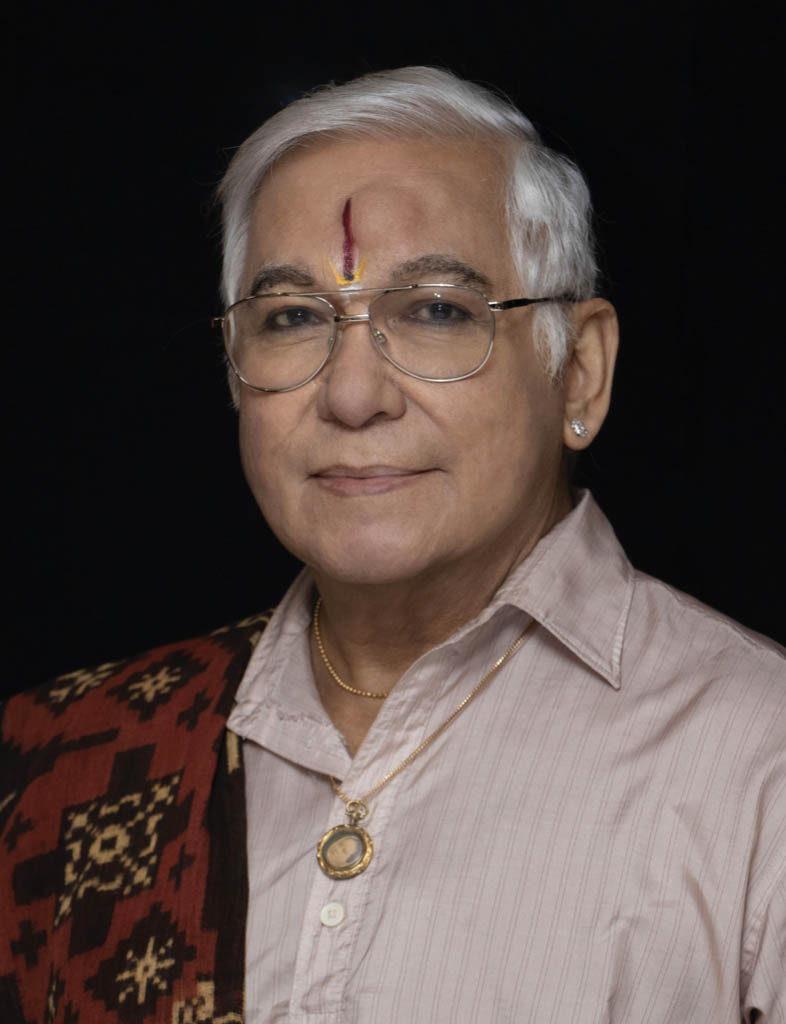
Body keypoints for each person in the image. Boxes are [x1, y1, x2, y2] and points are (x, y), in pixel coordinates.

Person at [1, 66, 784, 1024]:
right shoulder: (65, 763)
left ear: (579, 372)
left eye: (436, 310)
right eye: (293, 319)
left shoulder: (759, 762)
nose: (351, 394)